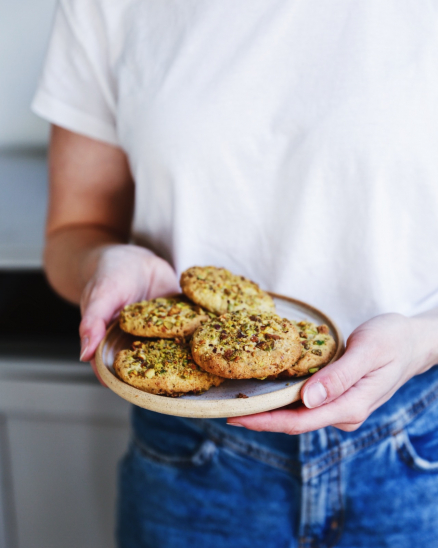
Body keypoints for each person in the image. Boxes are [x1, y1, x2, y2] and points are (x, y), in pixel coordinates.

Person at [32, 1, 438, 546]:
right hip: (190, 454)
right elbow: (72, 232)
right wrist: (100, 263)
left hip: (412, 454)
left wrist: (422, 338)